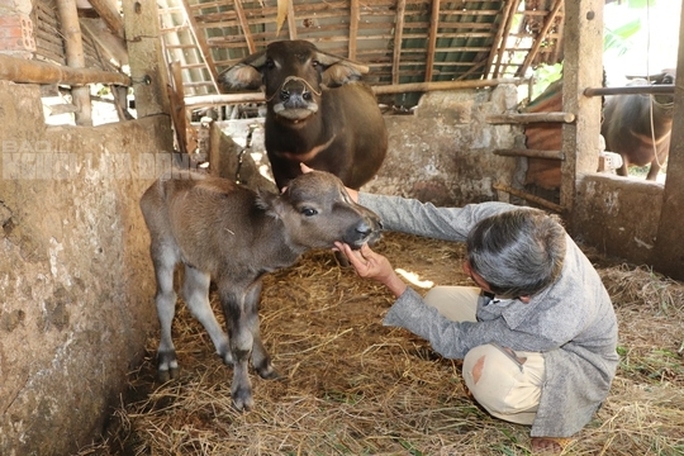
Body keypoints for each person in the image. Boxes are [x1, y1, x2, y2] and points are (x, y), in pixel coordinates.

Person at [333, 184, 619, 454]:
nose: (464, 266)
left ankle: (557, 411)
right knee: (436, 301)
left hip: (575, 361)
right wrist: (357, 199)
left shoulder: (552, 320)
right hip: (522, 317)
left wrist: (390, 279)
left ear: (520, 296)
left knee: (484, 370)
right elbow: (432, 219)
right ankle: (501, 348)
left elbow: (454, 340)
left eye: (475, 272)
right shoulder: (509, 225)